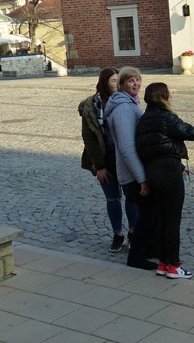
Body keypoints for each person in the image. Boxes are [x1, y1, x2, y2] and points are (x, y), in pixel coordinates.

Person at [136, 83, 194, 279]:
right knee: (173, 221)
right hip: (169, 173)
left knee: (162, 220)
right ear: (162, 97)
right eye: (169, 94)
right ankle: (174, 266)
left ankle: (163, 263)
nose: (172, 97)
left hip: (153, 172)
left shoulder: (144, 119)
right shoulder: (167, 117)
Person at [79, 68, 138, 253]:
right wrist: (100, 166)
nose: (117, 84)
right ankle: (117, 234)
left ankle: (134, 233)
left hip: (125, 157)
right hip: (106, 159)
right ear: (105, 83)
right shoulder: (91, 106)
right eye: (113, 81)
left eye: (118, 81)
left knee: (132, 197)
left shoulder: (128, 100)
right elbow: (89, 139)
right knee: (112, 198)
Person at [104, 66, 156, 270]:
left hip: (135, 171)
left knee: (147, 214)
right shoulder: (123, 109)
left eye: (138, 80)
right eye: (131, 81)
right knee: (144, 216)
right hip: (132, 173)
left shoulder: (130, 103)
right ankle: (136, 256)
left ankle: (147, 249)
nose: (136, 84)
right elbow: (127, 147)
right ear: (122, 84)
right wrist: (142, 178)